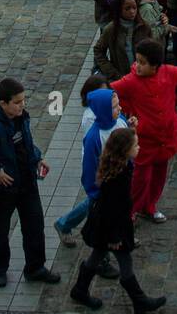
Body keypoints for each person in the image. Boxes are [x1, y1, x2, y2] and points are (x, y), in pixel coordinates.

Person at [0, 77, 60, 288]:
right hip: (4, 188)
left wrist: (37, 157)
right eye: (17, 102)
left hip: (26, 182)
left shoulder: (22, 118)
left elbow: (27, 143)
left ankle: (35, 267)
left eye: (23, 100)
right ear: (3, 104)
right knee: (0, 228)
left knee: (34, 224)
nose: (22, 105)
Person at [69, 127, 167, 313]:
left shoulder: (118, 166)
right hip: (112, 227)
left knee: (97, 255)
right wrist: (114, 237)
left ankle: (80, 289)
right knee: (124, 260)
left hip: (108, 225)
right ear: (125, 150)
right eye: (135, 145)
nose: (139, 147)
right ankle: (139, 301)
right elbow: (111, 209)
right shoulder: (118, 176)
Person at [111, 40, 177, 221]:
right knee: (140, 179)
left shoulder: (170, 72)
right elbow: (111, 92)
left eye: (142, 62)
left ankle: (149, 206)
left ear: (155, 66)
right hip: (145, 140)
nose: (137, 65)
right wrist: (126, 109)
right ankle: (130, 211)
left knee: (159, 175)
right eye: (137, 60)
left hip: (166, 137)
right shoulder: (131, 81)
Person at [53, 81, 127, 254]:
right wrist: (94, 187)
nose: (120, 108)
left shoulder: (119, 120)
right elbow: (91, 159)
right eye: (115, 106)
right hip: (102, 175)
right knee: (97, 206)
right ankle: (104, 249)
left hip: (117, 174)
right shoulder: (92, 129)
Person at [94, 0, 149, 80]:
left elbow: (153, 47)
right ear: (119, 9)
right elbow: (98, 50)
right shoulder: (111, 29)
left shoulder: (143, 26)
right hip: (121, 77)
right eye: (127, 8)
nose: (132, 11)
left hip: (143, 77)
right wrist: (111, 72)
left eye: (134, 8)